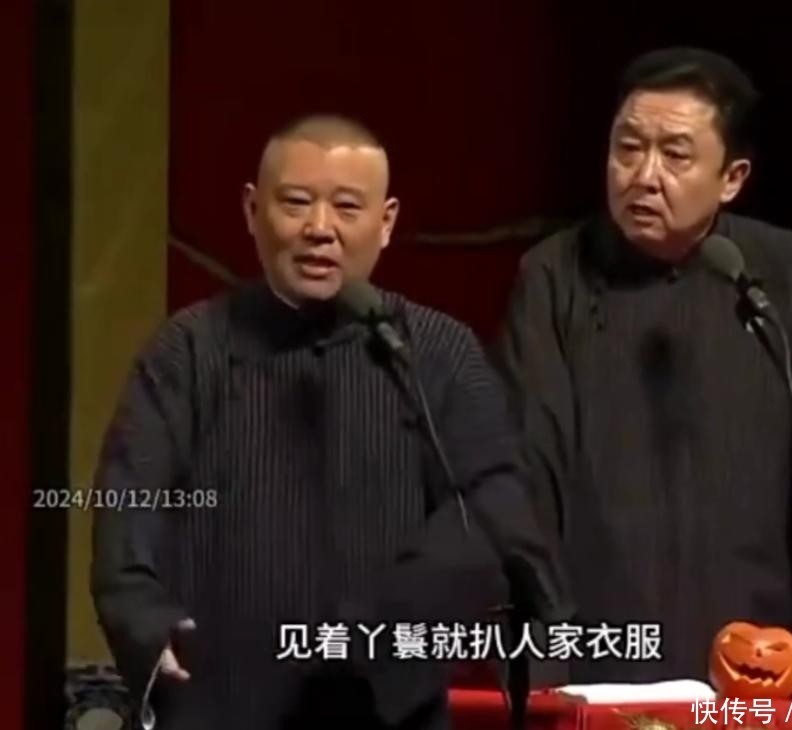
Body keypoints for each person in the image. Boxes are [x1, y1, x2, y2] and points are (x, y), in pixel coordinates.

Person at [91, 114, 570, 729]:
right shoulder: (188, 350)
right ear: (252, 210)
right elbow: (130, 499)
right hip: (221, 698)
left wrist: (378, 627)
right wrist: (144, 622)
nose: (320, 229)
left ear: (386, 222)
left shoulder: (436, 352)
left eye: (347, 207)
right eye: (296, 203)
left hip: (386, 705)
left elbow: (492, 508)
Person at [495, 47, 792, 684]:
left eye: (675, 155)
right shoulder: (553, 277)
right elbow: (528, 484)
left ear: (732, 178)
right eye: (627, 148)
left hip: (761, 663)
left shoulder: (788, 276)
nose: (643, 176)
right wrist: (541, 673)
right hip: (601, 661)